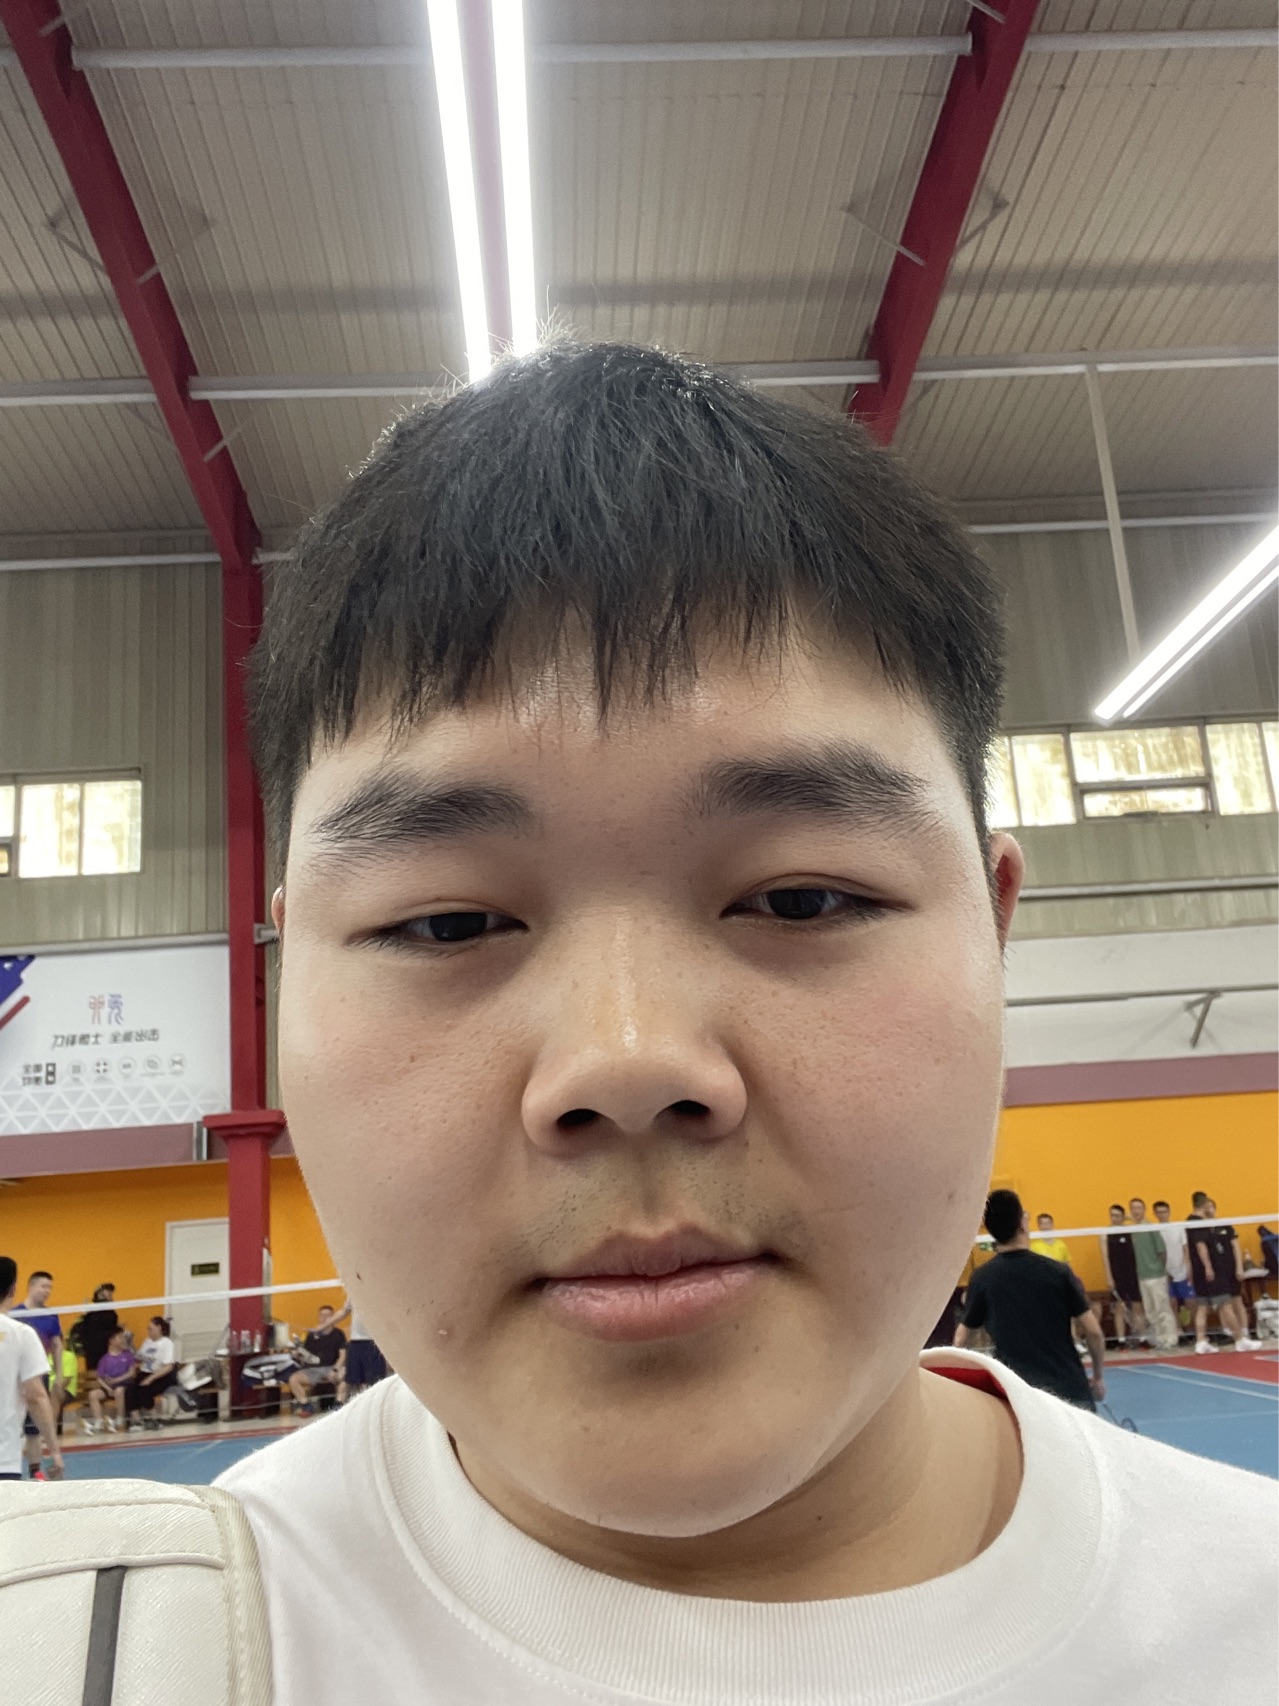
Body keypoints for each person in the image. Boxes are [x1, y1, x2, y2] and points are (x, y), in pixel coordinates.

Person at [5, 344, 1275, 1697]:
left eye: (800, 896)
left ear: (991, 927)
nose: (624, 1060)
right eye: (445, 923)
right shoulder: (97, 1658)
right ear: (285, 974)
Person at [954, 1191, 1104, 1409]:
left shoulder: (982, 1278)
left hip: (1018, 1397)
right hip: (1069, 1390)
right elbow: (1093, 1332)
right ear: (1022, 1225)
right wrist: (1098, 1377)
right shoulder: (1058, 1272)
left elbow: (961, 1340)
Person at [0, 1257, 61, 1482]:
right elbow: (35, 1395)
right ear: (14, 1289)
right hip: (3, 1458)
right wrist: (54, 1451)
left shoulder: (44, 1319)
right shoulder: (21, 1333)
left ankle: (35, 1468)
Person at [1188, 1196, 1262, 1353]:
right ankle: (1240, 1340)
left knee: (1202, 1306)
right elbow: (1201, 1246)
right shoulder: (1198, 1223)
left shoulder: (1193, 1223)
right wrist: (1208, 1267)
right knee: (1226, 1305)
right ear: (1204, 1206)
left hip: (1202, 1272)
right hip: (1211, 1272)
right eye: (1208, 1206)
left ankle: (1201, 1341)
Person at [1128, 1198, 1178, 1352]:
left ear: (1144, 1210)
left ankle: (1170, 1339)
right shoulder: (1133, 1231)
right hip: (1142, 1276)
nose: (1136, 1211)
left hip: (1156, 1275)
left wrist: (1161, 1270)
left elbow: (1161, 1251)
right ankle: (1160, 1339)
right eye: (1133, 1208)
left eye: (1138, 1208)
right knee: (1150, 1311)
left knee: (1162, 1309)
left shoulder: (1151, 1228)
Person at [286, 1306, 346, 1417]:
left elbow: (343, 1356)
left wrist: (335, 1369)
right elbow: (306, 1355)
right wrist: (298, 1354)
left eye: (328, 1316)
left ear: (333, 1317)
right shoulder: (312, 1335)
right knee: (293, 1379)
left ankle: (339, 1403)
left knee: (345, 1375)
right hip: (313, 1369)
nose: (324, 1318)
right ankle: (305, 1405)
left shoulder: (339, 1334)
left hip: (331, 1367)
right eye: (322, 1315)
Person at [1100, 1205, 1147, 1346]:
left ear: (1122, 1216)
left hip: (1132, 1274)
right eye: (1112, 1215)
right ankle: (1121, 1340)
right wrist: (1109, 1277)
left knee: (1138, 1306)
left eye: (1117, 1215)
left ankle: (1142, 1338)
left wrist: (1130, 1218)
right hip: (1116, 1275)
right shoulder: (1105, 1233)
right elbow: (1105, 1257)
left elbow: (1140, 1228)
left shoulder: (1129, 1231)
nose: (1114, 1218)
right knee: (1119, 1308)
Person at [331, 1297, 389, 1402]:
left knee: (374, 1381)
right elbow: (344, 1311)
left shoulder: (379, 1295)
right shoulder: (353, 1295)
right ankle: (341, 1405)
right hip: (356, 1342)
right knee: (351, 1380)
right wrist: (323, 1326)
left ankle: (375, 1402)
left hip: (372, 1341)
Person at [124, 1316, 178, 1428]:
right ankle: (137, 1421)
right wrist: (130, 1344)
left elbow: (168, 1367)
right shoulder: (147, 1341)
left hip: (161, 1375)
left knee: (144, 1390)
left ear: (159, 1328)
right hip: (145, 1372)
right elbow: (139, 1357)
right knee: (130, 1390)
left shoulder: (167, 1343)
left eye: (150, 1328)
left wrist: (151, 1378)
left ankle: (155, 1419)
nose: (148, 1331)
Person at [1153, 1199, 1193, 1335]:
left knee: (1190, 1302)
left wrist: (1188, 1268)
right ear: (1155, 1214)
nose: (1162, 1215)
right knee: (1172, 1303)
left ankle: (1191, 1330)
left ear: (1169, 1212)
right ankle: (1178, 1330)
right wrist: (1163, 1271)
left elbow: (1185, 1248)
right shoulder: (1154, 1231)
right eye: (1159, 1212)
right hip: (1165, 1273)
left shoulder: (1178, 1227)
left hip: (1182, 1271)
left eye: (1164, 1212)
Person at [87, 1328, 137, 1433]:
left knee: (119, 1390)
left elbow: (132, 1373)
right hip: (109, 1387)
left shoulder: (127, 1355)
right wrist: (107, 1388)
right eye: (120, 1337)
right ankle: (98, 1421)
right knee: (93, 1394)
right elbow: (99, 1378)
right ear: (112, 1340)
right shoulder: (104, 1359)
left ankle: (120, 1418)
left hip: (124, 1386)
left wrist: (117, 1380)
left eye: (123, 1337)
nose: (123, 1340)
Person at [71, 1283, 120, 1374]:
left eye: (111, 1292)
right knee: (94, 1373)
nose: (110, 1294)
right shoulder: (92, 1312)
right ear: (100, 1294)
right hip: (93, 1350)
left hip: (107, 1349)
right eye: (107, 1291)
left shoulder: (111, 1312)